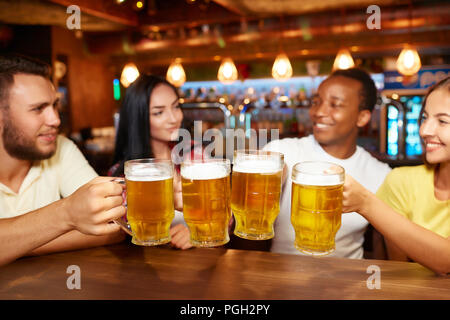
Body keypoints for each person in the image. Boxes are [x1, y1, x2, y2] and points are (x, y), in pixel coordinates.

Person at [0, 54, 126, 266]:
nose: (55, 119)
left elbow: (114, 227)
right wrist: (67, 215)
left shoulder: (61, 147)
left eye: (55, 105)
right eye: (38, 108)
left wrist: (14, 246)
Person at [263, 68, 391, 259]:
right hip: (282, 280)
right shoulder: (282, 151)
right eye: (316, 102)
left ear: (362, 117)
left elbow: (384, 245)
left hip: (347, 283)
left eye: (335, 104)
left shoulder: (381, 174)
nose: (319, 112)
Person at [343, 76, 450, 275]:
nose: (424, 130)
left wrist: (365, 202)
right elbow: (398, 269)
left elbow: (446, 260)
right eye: (425, 117)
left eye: (443, 121)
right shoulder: (401, 181)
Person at [111, 74, 192, 250]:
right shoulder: (123, 173)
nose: (174, 118)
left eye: (176, 107)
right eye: (159, 112)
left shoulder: (194, 154)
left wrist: (197, 231)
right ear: (137, 118)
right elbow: (116, 229)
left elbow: (228, 218)